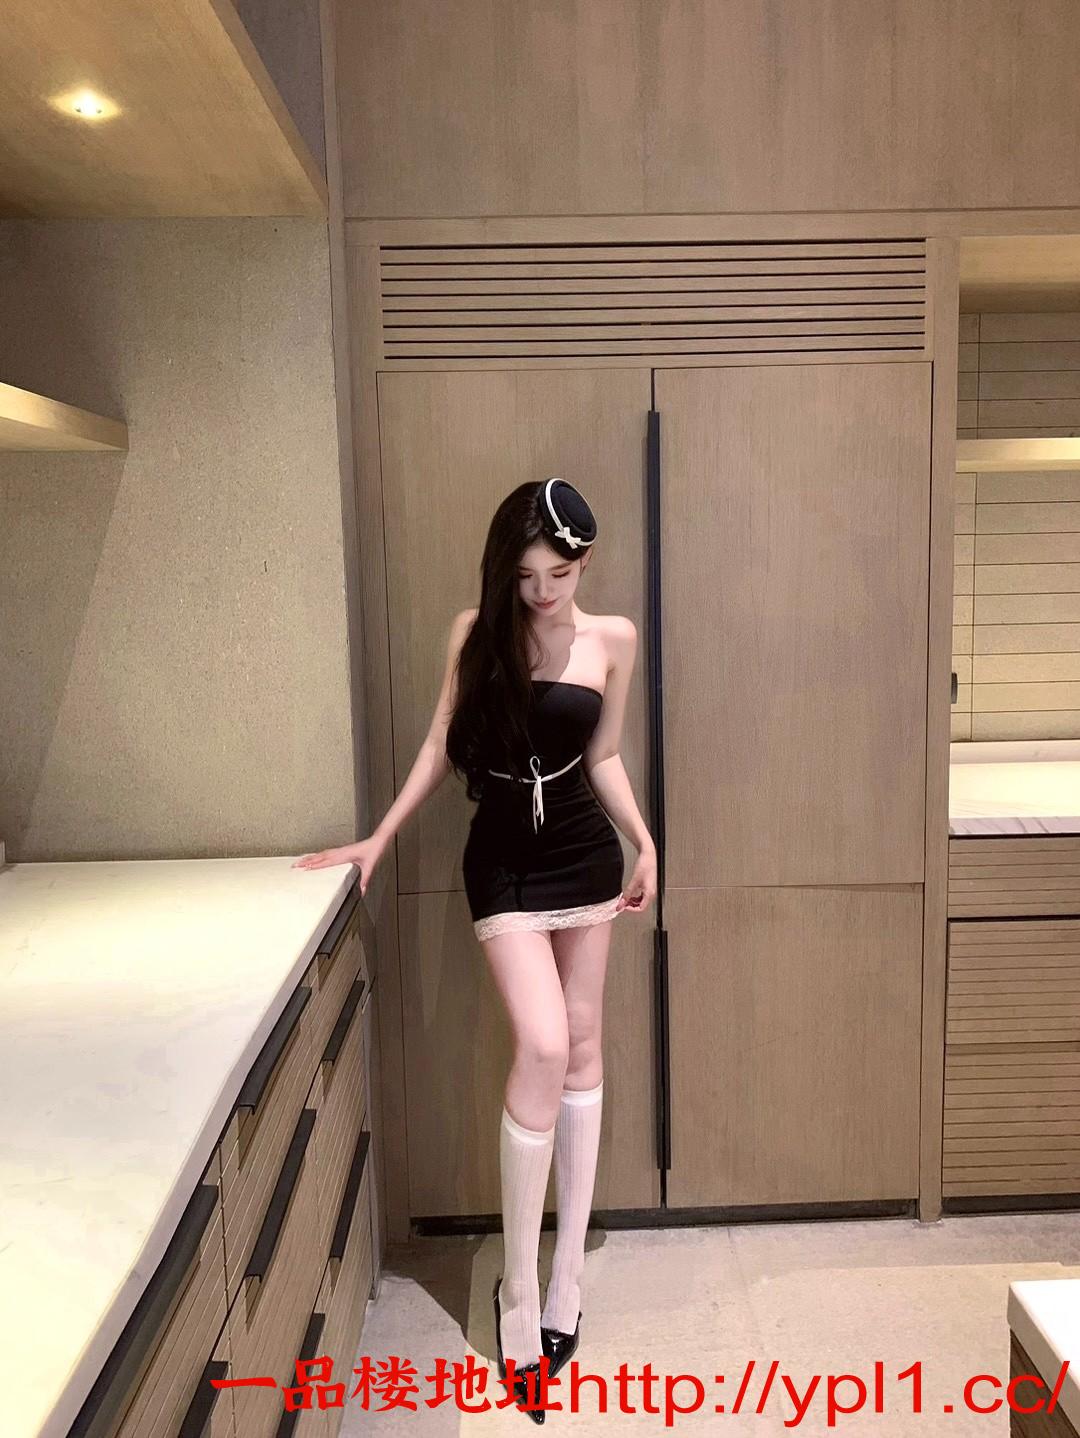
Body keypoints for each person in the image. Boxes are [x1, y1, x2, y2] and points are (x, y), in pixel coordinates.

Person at [293, 477, 657, 1423]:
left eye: (558, 575)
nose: (541, 592)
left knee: (583, 1044)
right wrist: (379, 837)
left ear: (583, 562)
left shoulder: (613, 640)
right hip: (501, 861)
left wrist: (645, 840)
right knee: (542, 1043)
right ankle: (518, 1292)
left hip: (584, 853)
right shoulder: (477, 633)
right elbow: (437, 746)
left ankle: (567, 1277)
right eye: (525, 575)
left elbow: (604, 755)